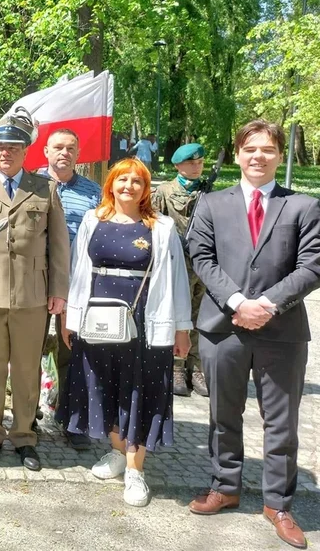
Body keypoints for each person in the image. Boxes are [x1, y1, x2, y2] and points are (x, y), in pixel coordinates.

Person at [188, 120, 320, 550]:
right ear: (238, 153)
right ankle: (225, 487)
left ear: (280, 155)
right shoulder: (210, 203)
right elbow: (201, 258)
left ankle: (278, 504)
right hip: (223, 328)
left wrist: (266, 305)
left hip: (281, 331)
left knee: (280, 424)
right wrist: (238, 303)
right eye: (250, 149)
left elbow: (313, 266)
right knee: (223, 415)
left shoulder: (303, 206)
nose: (258, 157)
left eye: (267, 149)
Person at [58, 157, 191, 507]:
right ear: (110, 184)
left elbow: (177, 281)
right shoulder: (92, 220)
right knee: (104, 386)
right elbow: (78, 271)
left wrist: (182, 328)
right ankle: (118, 452)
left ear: (146, 188)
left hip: (145, 325)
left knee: (141, 391)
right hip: (98, 322)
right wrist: (71, 319)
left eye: (137, 181)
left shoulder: (161, 227)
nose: (128, 186)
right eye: (122, 180)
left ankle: (135, 469)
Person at [0, 109, 70, 472]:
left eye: (13, 147)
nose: (5, 152)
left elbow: (58, 247)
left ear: (27, 150)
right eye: (0, 147)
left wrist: (59, 291)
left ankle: (25, 436)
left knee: (27, 370)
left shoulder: (46, 189)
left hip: (33, 295)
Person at [38, 128, 102, 450]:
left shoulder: (93, 193)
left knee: (73, 352)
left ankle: (72, 418)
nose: (64, 153)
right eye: (58, 147)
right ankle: (28, 414)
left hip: (76, 285)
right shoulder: (29, 184)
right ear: (46, 151)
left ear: (78, 154)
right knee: (28, 352)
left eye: (71, 148)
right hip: (33, 281)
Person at [151, 142, 208, 398]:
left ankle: (196, 367)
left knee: (199, 315)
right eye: (190, 163)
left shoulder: (208, 191)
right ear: (178, 166)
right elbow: (154, 224)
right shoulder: (164, 191)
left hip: (201, 263)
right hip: (176, 262)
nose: (196, 167)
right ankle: (175, 366)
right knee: (177, 314)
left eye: (199, 163)